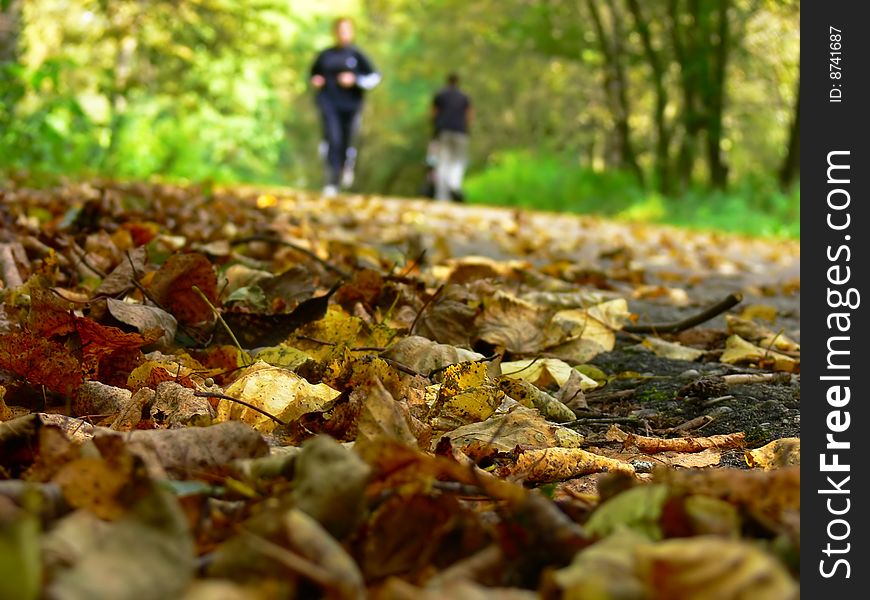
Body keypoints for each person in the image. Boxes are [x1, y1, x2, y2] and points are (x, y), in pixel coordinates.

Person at [310, 17, 381, 197]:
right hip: (329, 103)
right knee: (332, 139)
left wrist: (355, 80)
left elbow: (374, 77)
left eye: (347, 30)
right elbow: (313, 74)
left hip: (351, 106)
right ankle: (331, 180)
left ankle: (344, 170)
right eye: (340, 30)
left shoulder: (357, 55)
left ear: (352, 32)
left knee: (346, 140)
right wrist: (316, 81)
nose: (343, 33)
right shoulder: (325, 55)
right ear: (335, 32)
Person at [432, 73, 472, 201]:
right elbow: (469, 115)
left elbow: (433, 113)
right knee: (458, 161)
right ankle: (454, 184)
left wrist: (434, 128)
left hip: (443, 131)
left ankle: (442, 195)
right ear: (458, 82)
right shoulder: (465, 96)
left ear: (447, 81)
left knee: (443, 161)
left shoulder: (440, 95)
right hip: (460, 132)